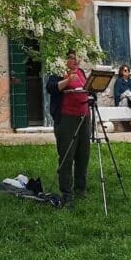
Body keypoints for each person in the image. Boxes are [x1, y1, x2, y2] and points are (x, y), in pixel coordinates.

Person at [45, 49, 90, 206]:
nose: (75, 60)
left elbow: (89, 90)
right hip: (66, 118)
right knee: (67, 155)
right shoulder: (59, 72)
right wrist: (67, 80)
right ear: (64, 60)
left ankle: (81, 190)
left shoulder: (82, 72)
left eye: (76, 57)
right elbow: (51, 88)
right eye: (71, 58)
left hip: (84, 117)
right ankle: (66, 192)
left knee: (83, 155)